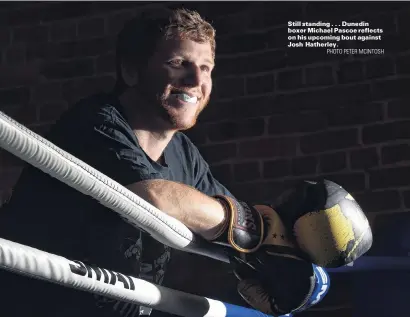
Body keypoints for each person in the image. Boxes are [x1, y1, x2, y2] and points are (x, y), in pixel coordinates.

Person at [0, 7, 371, 317]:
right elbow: (154, 198)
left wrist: (282, 261)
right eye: (179, 63)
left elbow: (223, 220)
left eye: (206, 67)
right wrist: (251, 228)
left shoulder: (184, 154)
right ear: (131, 71)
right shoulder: (95, 123)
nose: (196, 80)